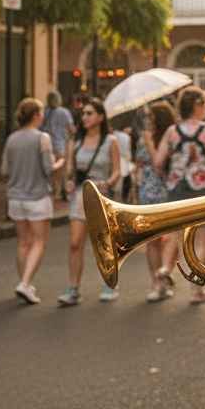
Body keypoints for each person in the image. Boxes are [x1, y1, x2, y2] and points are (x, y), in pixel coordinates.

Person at [154, 87, 205, 303]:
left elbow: (158, 162)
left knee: (176, 237)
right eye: (204, 104)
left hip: (176, 188)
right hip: (201, 191)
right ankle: (197, 290)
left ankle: (165, 270)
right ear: (197, 105)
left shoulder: (171, 131)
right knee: (201, 240)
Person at [59, 97, 122, 306]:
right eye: (83, 114)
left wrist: (108, 182)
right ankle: (73, 289)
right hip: (79, 196)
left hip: (101, 197)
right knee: (75, 243)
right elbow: (69, 170)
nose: (84, 117)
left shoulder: (110, 142)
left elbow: (117, 172)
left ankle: (109, 285)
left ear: (100, 117)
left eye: (89, 113)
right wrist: (67, 182)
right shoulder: (75, 142)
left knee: (104, 245)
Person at [1, 98, 63, 305]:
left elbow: (4, 170)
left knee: (23, 242)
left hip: (15, 198)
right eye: (41, 112)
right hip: (37, 197)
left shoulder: (11, 139)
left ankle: (24, 282)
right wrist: (61, 161)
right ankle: (25, 284)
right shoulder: (42, 138)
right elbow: (49, 168)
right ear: (36, 115)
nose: (43, 115)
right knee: (39, 241)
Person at [136, 100, 178, 302]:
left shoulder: (170, 137)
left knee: (169, 239)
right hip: (147, 193)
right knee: (151, 241)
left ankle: (165, 276)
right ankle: (155, 283)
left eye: (151, 118)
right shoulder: (144, 137)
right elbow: (139, 164)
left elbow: (158, 165)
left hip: (166, 192)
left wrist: (150, 143)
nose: (148, 122)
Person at [42, 90, 75, 161]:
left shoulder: (44, 112)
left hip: (45, 146)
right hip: (60, 146)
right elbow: (72, 129)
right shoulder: (65, 112)